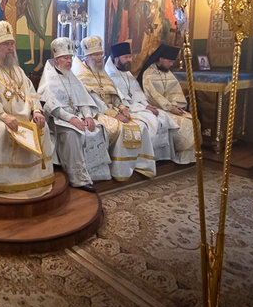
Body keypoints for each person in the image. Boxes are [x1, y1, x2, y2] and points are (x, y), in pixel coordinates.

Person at [0, 21, 54, 197]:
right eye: (6, 44)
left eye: (12, 44)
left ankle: (35, 178)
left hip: (24, 118)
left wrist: (36, 111)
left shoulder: (18, 71)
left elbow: (31, 93)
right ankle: (5, 181)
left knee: (42, 126)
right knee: (3, 131)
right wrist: (4, 117)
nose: (10, 48)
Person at [72, 36, 156, 179]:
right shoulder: (81, 75)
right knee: (123, 128)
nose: (99, 58)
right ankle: (119, 170)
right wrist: (114, 115)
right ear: (87, 57)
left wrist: (122, 108)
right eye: (95, 55)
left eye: (100, 54)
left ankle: (139, 164)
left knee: (141, 125)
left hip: (112, 109)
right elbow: (93, 100)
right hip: (96, 112)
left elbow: (114, 93)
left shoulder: (101, 71)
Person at [37, 37, 110, 191]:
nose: (69, 61)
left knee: (98, 128)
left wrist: (88, 116)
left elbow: (83, 99)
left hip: (77, 117)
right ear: (56, 60)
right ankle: (78, 179)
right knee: (73, 134)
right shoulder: (49, 78)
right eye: (65, 58)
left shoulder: (71, 75)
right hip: (58, 120)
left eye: (70, 57)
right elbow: (51, 106)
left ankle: (94, 174)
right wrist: (71, 118)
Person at [104, 41, 177, 161]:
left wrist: (146, 105)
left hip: (137, 106)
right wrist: (143, 108)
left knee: (162, 116)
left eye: (130, 56)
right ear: (116, 59)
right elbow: (120, 100)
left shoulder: (127, 73)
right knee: (151, 120)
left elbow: (137, 93)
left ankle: (160, 157)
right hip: (126, 109)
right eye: (126, 57)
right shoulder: (110, 75)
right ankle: (144, 159)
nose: (130, 60)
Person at [138, 44, 196, 165]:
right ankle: (177, 155)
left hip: (171, 108)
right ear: (161, 59)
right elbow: (153, 95)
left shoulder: (168, 73)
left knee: (192, 120)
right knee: (184, 125)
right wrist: (169, 107)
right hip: (156, 108)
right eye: (169, 61)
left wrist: (175, 105)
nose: (171, 64)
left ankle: (187, 157)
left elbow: (175, 91)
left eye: (172, 61)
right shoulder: (148, 73)